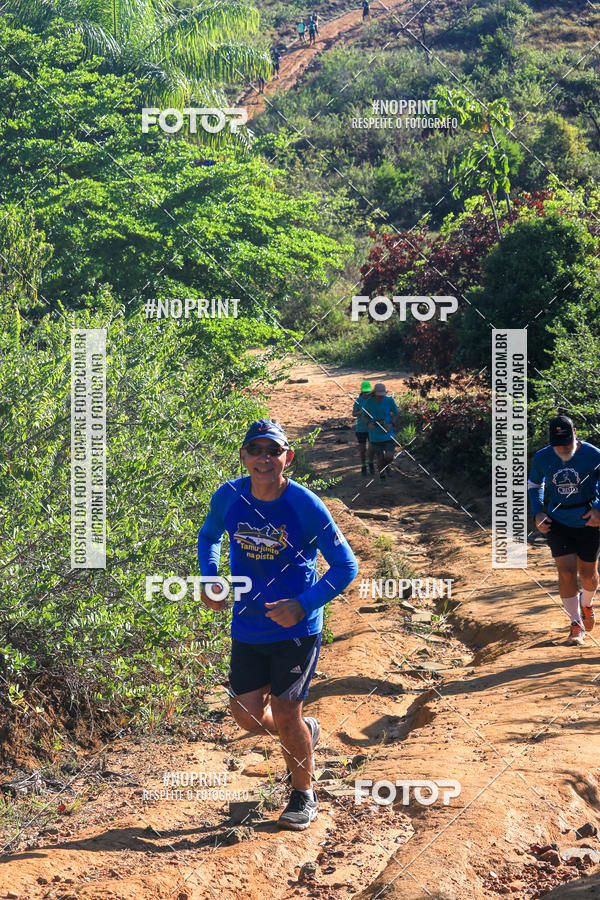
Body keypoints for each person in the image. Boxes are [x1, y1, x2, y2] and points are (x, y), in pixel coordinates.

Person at [197, 419, 358, 829]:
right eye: (256, 450)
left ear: (288, 458)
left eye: (274, 451)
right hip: (247, 626)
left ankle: (303, 794)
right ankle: (305, 730)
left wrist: (303, 605)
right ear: (244, 457)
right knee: (246, 717)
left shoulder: (304, 504)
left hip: (296, 631)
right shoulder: (229, 496)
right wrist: (210, 576)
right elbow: (209, 536)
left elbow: (345, 566)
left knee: (286, 713)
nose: (264, 459)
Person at [528, 415, 600, 645]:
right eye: (557, 445)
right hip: (558, 521)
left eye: (566, 444)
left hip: (588, 520)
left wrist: (599, 508)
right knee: (566, 571)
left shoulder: (593, 454)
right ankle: (575, 624)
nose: (562, 449)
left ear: (575, 434)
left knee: (588, 576)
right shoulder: (542, 456)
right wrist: (538, 512)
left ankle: (586, 603)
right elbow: (534, 485)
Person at [363, 383, 399, 482]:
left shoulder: (389, 401)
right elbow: (364, 416)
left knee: (389, 456)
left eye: (382, 395)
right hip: (375, 436)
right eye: (379, 395)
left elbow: (396, 414)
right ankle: (382, 475)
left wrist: (391, 424)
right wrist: (368, 424)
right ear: (374, 394)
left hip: (388, 434)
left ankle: (386, 466)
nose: (381, 397)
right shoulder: (369, 402)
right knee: (379, 457)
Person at [352, 380, 373, 476]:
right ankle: (363, 465)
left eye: (368, 392)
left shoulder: (373, 399)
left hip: (371, 428)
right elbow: (353, 414)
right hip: (360, 429)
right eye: (365, 392)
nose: (367, 394)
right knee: (362, 449)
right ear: (362, 392)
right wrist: (360, 412)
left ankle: (371, 463)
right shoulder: (358, 400)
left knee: (372, 448)